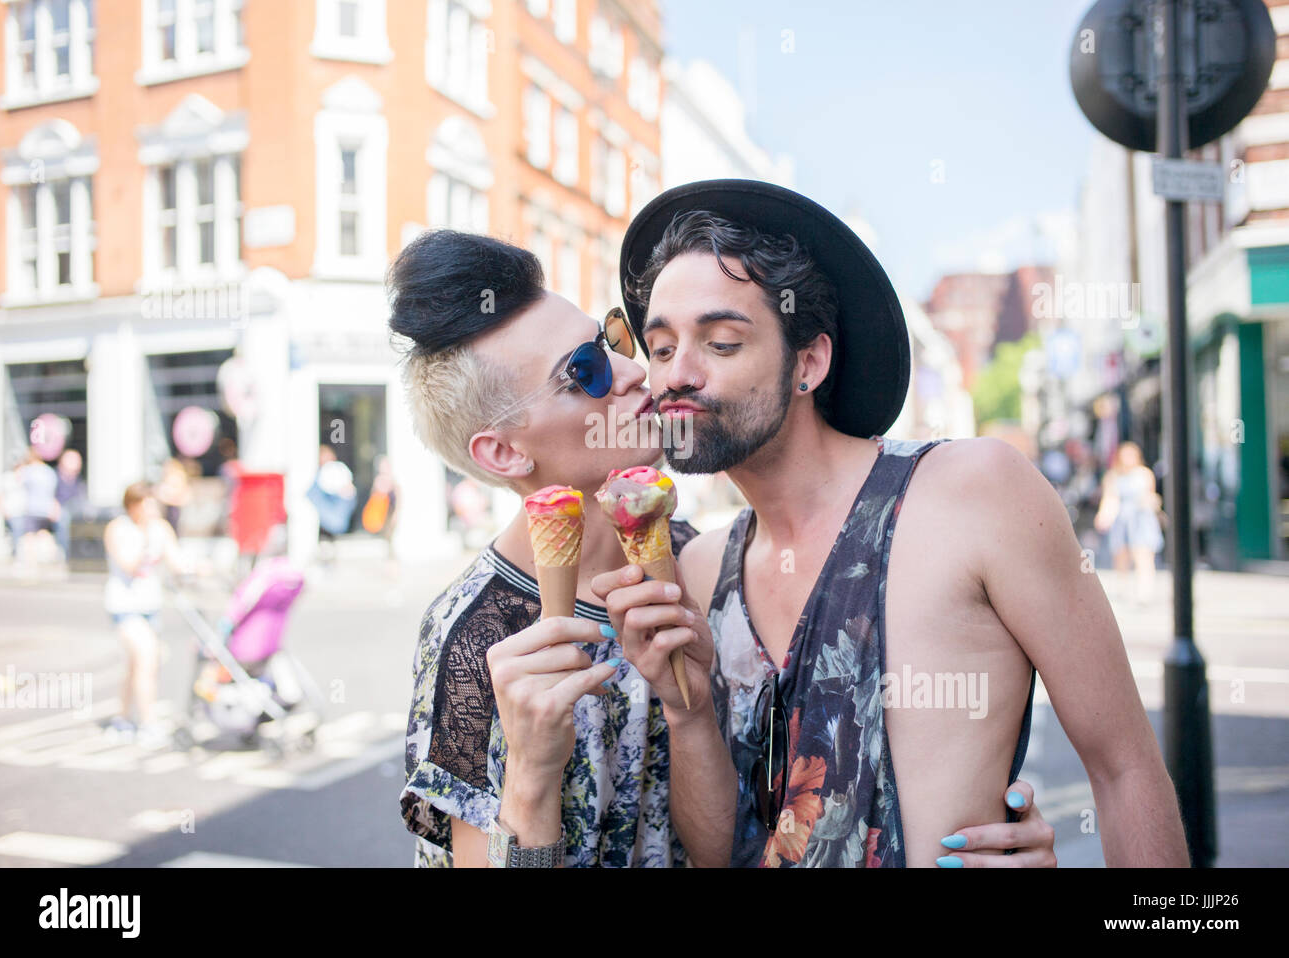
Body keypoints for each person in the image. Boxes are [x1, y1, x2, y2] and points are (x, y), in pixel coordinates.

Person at [388, 229, 1054, 867]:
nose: (630, 372)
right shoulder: (475, 636)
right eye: (583, 372)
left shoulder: (698, 561)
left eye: (614, 338)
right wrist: (531, 778)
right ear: (503, 451)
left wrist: (979, 813)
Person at [591, 180, 1189, 867]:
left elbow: (1125, 770)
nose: (676, 375)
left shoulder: (974, 493)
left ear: (808, 362)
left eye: (721, 342)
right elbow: (719, 850)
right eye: (661, 349)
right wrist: (687, 709)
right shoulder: (699, 568)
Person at [103, 481, 196, 748]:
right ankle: (148, 722)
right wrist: (145, 540)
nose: (153, 509)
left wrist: (196, 568)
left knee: (134, 665)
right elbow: (128, 565)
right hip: (124, 606)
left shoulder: (161, 529)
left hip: (149, 607)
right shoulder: (118, 529)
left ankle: (121, 718)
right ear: (133, 505)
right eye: (148, 504)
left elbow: (176, 561)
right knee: (147, 658)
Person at [1094, 441, 1165, 605]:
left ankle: (1145, 591)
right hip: (1122, 519)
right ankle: (1123, 586)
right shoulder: (1113, 476)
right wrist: (1104, 515)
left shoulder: (1144, 474)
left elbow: (1150, 495)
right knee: (1121, 555)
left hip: (1141, 517)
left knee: (1143, 555)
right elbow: (1110, 498)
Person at [307, 445, 356, 564]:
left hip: (334, 514)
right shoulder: (318, 476)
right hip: (325, 514)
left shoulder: (338, 471)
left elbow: (349, 493)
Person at [18, 448, 60, 566]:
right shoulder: (49, 472)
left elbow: (19, 482)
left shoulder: (28, 471)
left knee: (30, 535)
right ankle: (49, 556)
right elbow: (53, 491)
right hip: (46, 509)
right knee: (44, 533)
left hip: (31, 508)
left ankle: (30, 560)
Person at [54, 449, 88, 562]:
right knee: (64, 520)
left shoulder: (79, 480)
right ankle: (67, 554)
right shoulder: (55, 477)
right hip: (60, 509)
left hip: (76, 509)